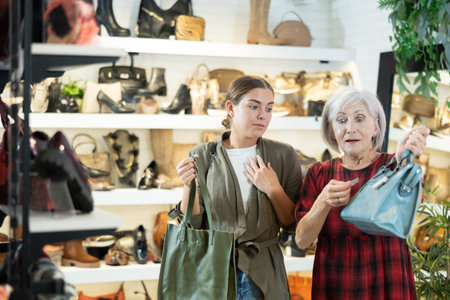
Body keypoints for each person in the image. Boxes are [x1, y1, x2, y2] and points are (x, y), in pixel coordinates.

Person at [294, 86, 429, 299]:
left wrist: (402, 161)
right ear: (331, 130)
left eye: (359, 119)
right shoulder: (319, 173)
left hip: (387, 280)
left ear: (375, 126)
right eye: (341, 121)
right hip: (337, 282)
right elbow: (302, 241)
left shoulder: (392, 166)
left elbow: (412, 206)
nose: (350, 128)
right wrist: (323, 201)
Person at [175, 75, 302, 299]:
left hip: (265, 272)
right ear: (230, 108)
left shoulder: (283, 155)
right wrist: (188, 186)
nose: (263, 115)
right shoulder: (203, 155)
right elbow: (191, 225)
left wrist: (273, 189)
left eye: (269, 108)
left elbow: (293, 224)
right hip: (215, 272)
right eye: (254, 106)